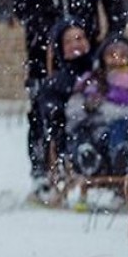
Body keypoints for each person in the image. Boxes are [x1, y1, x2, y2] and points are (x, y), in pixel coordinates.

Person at [13, 0, 127, 197]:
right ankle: (42, 170)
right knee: (43, 112)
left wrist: (111, 40)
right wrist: (52, 36)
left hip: (87, 55)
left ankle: (102, 165)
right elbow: (22, 10)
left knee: (97, 108)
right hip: (45, 58)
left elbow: (114, 4)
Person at [65, 34, 128, 176]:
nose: (117, 59)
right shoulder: (93, 81)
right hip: (103, 132)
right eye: (112, 55)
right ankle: (120, 154)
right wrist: (89, 107)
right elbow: (75, 111)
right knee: (118, 124)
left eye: (123, 55)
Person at [29, 19, 95, 203]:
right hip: (73, 132)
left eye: (80, 38)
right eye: (69, 41)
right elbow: (49, 111)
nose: (76, 44)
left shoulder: (101, 69)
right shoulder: (57, 81)